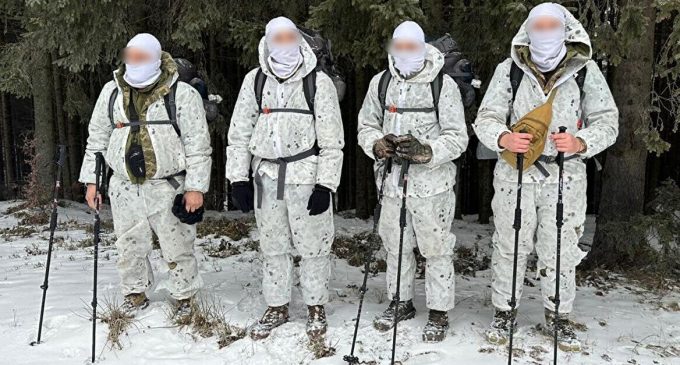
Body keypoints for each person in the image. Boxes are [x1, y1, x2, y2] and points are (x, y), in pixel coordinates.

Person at [473, 3, 619, 351]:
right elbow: (485, 117)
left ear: (565, 30)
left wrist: (581, 142)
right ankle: (504, 312)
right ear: (528, 29)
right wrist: (503, 138)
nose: (545, 32)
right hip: (514, 175)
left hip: (564, 176)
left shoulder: (584, 71)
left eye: (552, 25)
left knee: (561, 250)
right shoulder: (509, 70)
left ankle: (558, 317)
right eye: (538, 25)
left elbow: (608, 121)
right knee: (509, 247)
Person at [225, 17, 344, 342]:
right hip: (266, 178)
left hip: (306, 176)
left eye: (288, 36)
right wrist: (238, 178)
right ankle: (276, 305)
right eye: (277, 37)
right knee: (274, 246)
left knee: (314, 247)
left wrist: (326, 184)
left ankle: (315, 305)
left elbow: (333, 141)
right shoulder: (255, 81)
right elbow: (238, 134)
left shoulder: (317, 83)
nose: (283, 42)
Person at [79, 33, 212, 319]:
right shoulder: (111, 91)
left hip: (169, 184)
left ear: (155, 57)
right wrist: (92, 181)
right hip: (124, 185)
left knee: (177, 244)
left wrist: (196, 187)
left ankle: (185, 296)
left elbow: (198, 145)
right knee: (128, 244)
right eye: (130, 56)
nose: (134, 62)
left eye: (141, 57)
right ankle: (134, 292)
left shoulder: (182, 94)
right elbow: (97, 139)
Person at [357, 21, 468, 342]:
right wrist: (377, 144)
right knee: (396, 247)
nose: (405, 52)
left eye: (412, 47)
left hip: (432, 187)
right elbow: (366, 124)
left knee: (435, 250)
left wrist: (426, 151)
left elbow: (458, 137)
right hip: (391, 184)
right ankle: (400, 301)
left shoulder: (442, 85)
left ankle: (438, 311)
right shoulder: (381, 83)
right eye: (400, 46)